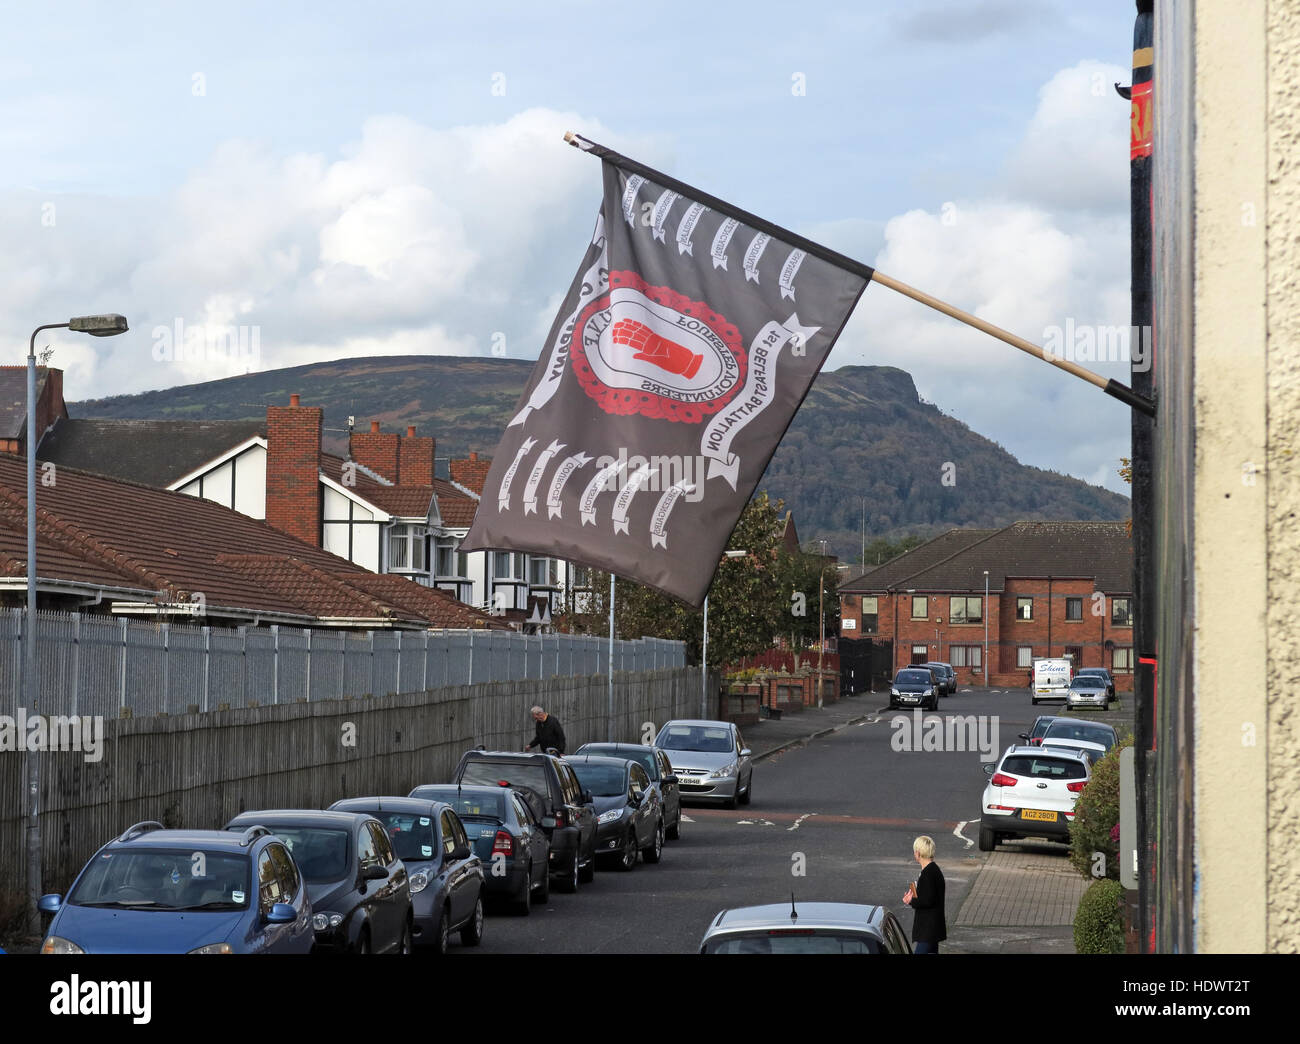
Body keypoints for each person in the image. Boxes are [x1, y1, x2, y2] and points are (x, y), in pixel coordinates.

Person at [902, 834, 946, 953]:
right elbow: (928, 896)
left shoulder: (928, 874)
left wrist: (911, 900)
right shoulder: (932, 870)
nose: (914, 853)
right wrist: (914, 894)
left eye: (915, 851)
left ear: (918, 853)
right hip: (932, 930)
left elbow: (927, 900)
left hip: (928, 930)